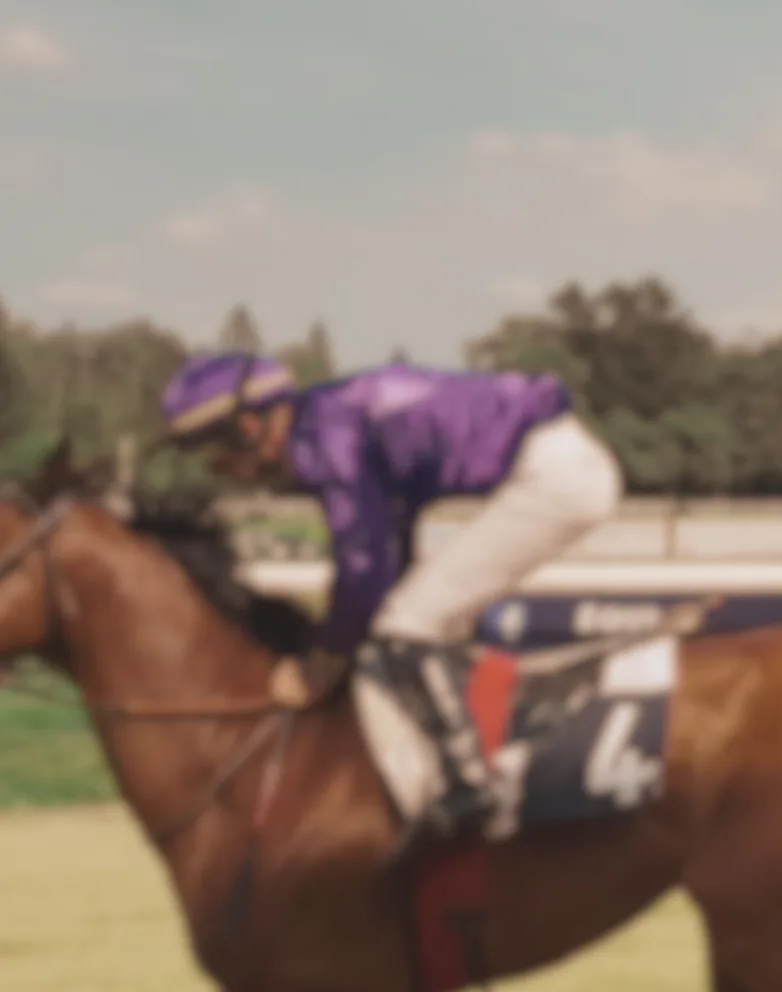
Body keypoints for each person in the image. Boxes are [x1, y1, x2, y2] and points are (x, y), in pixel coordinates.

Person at [158, 352, 625, 854]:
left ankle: (469, 789)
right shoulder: (329, 421)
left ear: (250, 427)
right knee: (409, 617)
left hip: (555, 479)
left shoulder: (328, 441)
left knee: (407, 621)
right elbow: (387, 543)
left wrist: (322, 662)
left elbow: (362, 565)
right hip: (558, 462)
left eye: (216, 455)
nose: (221, 470)